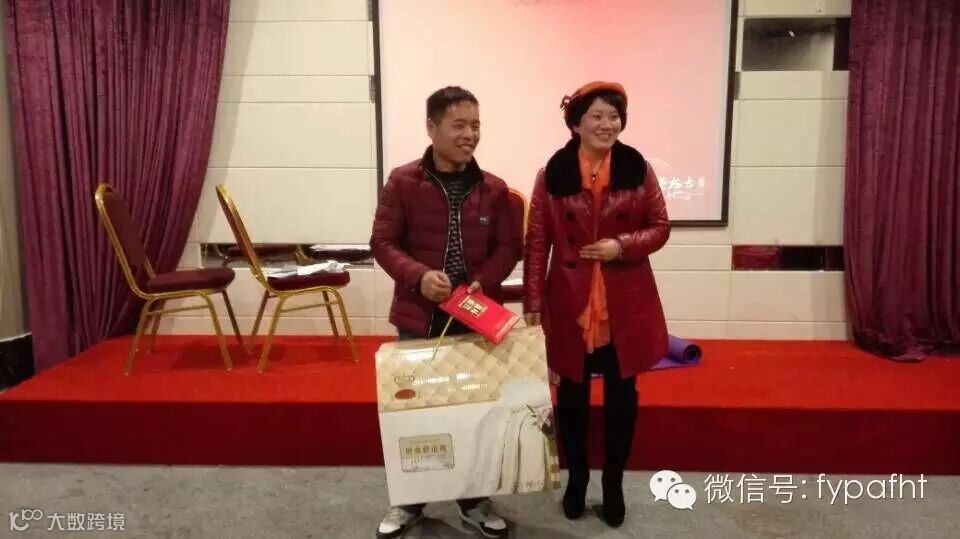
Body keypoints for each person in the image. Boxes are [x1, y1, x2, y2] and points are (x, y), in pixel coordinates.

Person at [370, 86, 522, 539]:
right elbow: (382, 243)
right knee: (416, 416)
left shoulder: (494, 189)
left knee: (475, 414)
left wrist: (484, 279)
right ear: (432, 128)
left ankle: (474, 501)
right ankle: (409, 503)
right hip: (418, 316)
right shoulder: (403, 182)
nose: (469, 134)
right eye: (459, 125)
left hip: (474, 315)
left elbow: (508, 247)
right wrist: (418, 276)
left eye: (475, 125)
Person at [522, 81, 670, 528]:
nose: (608, 125)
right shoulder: (553, 173)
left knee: (623, 396)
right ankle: (578, 480)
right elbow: (537, 242)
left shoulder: (637, 168)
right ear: (576, 124)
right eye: (598, 116)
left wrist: (621, 245)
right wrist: (533, 300)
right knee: (571, 397)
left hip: (624, 300)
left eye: (614, 116)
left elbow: (660, 227)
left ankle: (613, 484)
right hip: (572, 299)